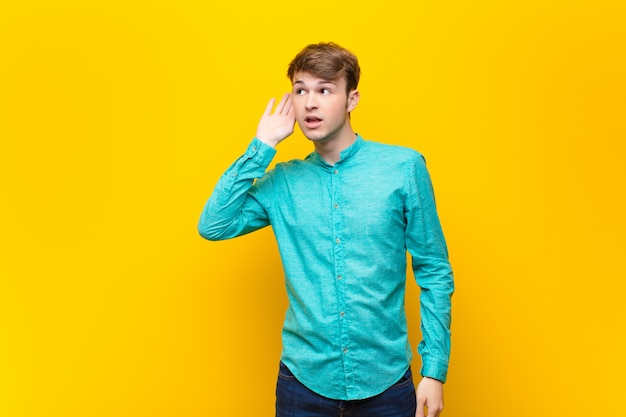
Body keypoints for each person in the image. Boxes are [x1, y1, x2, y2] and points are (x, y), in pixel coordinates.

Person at [198, 42, 454, 417]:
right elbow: (213, 225)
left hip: (386, 383)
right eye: (300, 90)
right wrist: (262, 145)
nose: (309, 103)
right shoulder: (282, 182)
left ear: (352, 99)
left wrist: (434, 369)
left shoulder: (403, 168)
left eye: (324, 90)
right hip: (302, 383)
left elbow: (434, 269)